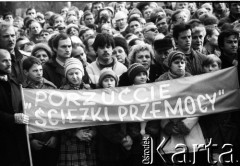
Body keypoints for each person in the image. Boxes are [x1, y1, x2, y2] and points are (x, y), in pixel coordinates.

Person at [155, 51, 206, 165]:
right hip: (170, 129)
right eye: (176, 62)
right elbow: (158, 106)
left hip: (191, 128)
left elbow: (199, 104)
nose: (180, 65)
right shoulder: (160, 82)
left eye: (183, 62)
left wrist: (188, 123)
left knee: (193, 159)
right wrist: (166, 124)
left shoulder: (192, 80)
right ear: (170, 64)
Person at [58, 57, 96, 166]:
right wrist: (75, 133)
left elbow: (98, 113)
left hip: (89, 139)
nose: (74, 77)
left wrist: (94, 131)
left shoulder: (91, 90)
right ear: (66, 75)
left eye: (77, 73)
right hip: (70, 141)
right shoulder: (61, 92)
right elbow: (58, 119)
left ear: (82, 73)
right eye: (70, 74)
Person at [22, 56, 58, 166]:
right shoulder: (22, 90)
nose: (39, 73)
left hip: (51, 137)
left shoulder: (51, 88)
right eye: (35, 70)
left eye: (40, 70)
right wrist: (30, 140)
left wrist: (55, 136)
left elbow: (58, 113)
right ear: (26, 72)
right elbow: (22, 115)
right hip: (33, 139)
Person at [96, 68, 132, 166]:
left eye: (112, 80)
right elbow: (102, 124)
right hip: (106, 147)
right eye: (106, 80)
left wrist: (128, 135)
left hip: (123, 145)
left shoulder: (122, 97)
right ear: (101, 83)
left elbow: (129, 118)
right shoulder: (97, 98)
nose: (109, 83)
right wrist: (121, 138)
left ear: (116, 82)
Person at [0, 48, 30, 166]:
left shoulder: (15, 82)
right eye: (4, 61)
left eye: (9, 60)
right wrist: (12, 118)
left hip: (17, 141)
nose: (9, 63)